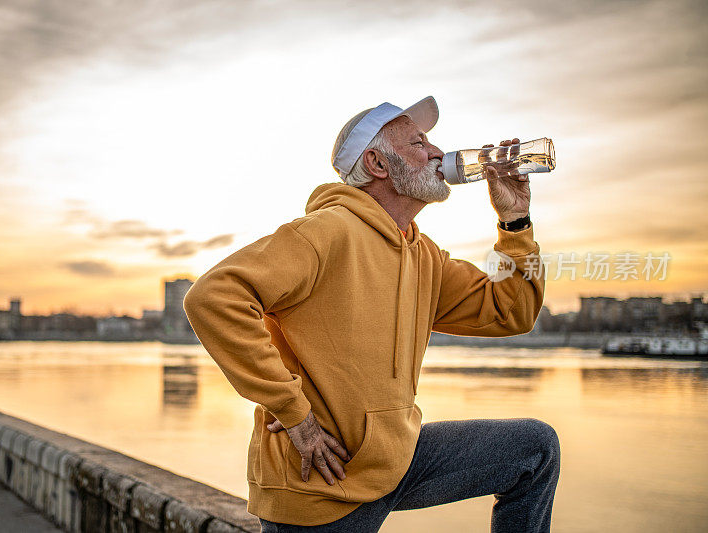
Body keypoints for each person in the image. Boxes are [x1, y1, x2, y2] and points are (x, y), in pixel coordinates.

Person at [182, 96, 560, 532]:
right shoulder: (326, 232)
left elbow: (511, 312)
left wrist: (515, 221)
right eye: (419, 143)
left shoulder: (424, 255)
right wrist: (295, 415)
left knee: (535, 450)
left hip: (395, 460)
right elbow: (212, 297)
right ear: (378, 163)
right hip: (323, 476)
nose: (438, 153)